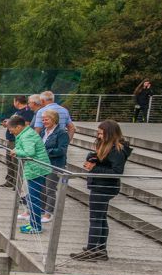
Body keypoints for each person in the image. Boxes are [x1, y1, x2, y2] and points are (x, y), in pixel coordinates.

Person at [71, 120, 132, 261]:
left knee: (96, 219)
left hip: (104, 187)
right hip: (101, 185)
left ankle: (91, 250)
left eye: (101, 133)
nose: (98, 136)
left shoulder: (118, 150)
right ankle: (101, 250)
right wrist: (93, 158)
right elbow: (104, 161)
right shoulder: (107, 146)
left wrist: (95, 168)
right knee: (101, 218)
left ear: (109, 133)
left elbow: (116, 171)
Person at [8, 114, 51, 234]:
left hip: (37, 170)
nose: (11, 133)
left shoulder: (27, 135)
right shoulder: (25, 133)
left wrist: (16, 151)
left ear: (18, 127)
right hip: (34, 169)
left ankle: (36, 226)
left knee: (34, 199)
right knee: (32, 199)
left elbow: (29, 152)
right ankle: (33, 223)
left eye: (11, 130)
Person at [39, 109, 69, 224]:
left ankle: (48, 213)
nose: (44, 121)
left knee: (50, 189)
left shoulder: (62, 133)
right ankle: (41, 210)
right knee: (42, 187)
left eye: (46, 119)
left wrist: (47, 151)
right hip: (43, 163)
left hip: (54, 164)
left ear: (53, 119)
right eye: (43, 119)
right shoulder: (43, 131)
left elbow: (62, 150)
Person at [1, 95, 36, 188]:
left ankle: (17, 183)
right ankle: (10, 180)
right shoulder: (17, 112)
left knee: (15, 161)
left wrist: (10, 124)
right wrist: (7, 123)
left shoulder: (27, 112)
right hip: (10, 139)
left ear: (17, 102)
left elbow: (26, 125)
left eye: (14, 101)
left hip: (17, 140)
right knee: (9, 161)